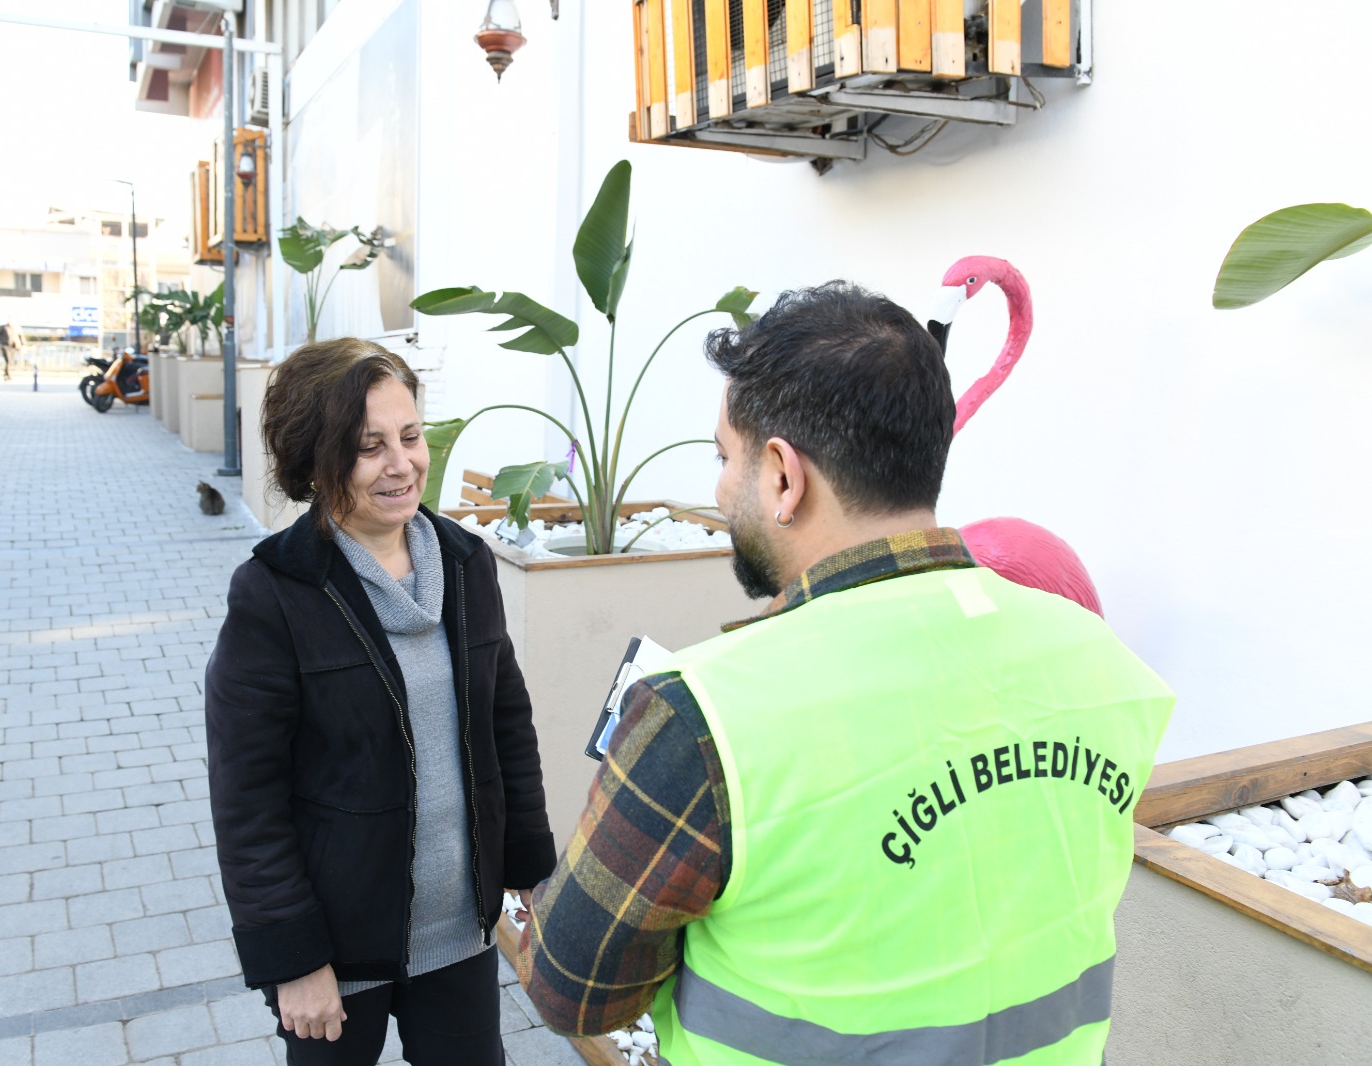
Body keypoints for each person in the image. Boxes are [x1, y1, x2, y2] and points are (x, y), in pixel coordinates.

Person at [517, 281, 1175, 1065]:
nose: (720, 488)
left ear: (783, 476)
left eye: (725, 457)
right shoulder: (1102, 659)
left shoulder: (703, 719)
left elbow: (571, 989)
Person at [206, 337, 556, 1066]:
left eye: (410, 436)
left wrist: (528, 871)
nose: (402, 464)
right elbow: (247, 798)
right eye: (369, 447)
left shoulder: (466, 563)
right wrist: (293, 958)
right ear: (314, 460)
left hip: (459, 931)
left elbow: (506, 725)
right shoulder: (274, 593)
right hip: (336, 951)